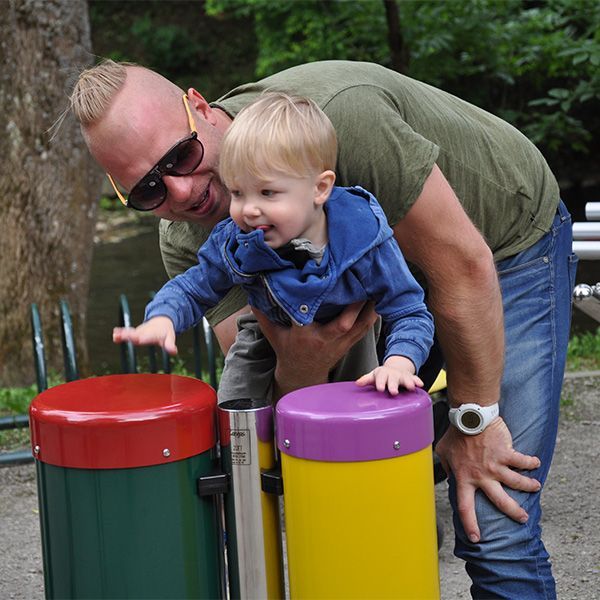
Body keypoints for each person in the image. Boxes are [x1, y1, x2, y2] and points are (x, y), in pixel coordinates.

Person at [71, 59, 577, 598]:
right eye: (149, 189)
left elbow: (461, 268)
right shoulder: (192, 236)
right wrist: (301, 360)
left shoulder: (344, 119)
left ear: (199, 109)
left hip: (497, 243)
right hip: (368, 290)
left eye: (180, 155)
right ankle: (420, 445)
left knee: (491, 519)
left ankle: (445, 431)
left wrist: (473, 421)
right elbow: (270, 388)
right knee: (360, 502)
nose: (181, 190)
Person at [112, 93, 434, 397]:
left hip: (352, 338)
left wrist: (399, 362)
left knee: (355, 415)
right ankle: (249, 449)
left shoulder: (363, 235)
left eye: (267, 193)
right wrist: (163, 317)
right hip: (265, 340)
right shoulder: (236, 241)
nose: (249, 210)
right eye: (238, 193)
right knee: (241, 417)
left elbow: (408, 309)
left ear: (319, 189)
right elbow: (192, 288)